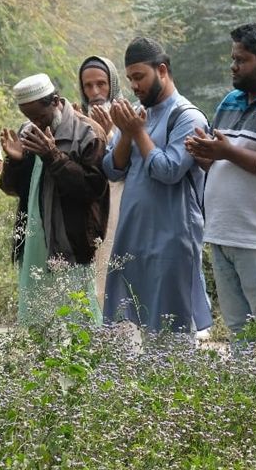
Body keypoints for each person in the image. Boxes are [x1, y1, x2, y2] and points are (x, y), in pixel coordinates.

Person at [185, 23, 256, 336]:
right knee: (238, 330)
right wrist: (205, 155)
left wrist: (225, 152)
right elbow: (222, 158)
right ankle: (245, 387)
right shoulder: (230, 101)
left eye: (241, 60)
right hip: (222, 233)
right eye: (233, 59)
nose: (233, 66)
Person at [102, 37, 212, 333]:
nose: (134, 86)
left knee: (172, 330)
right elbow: (112, 169)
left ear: (162, 70)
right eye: (130, 79)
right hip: (135, 234)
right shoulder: (138, 115)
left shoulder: (188, 117)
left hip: (172, 238)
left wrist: (137, 132)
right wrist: (126, 133)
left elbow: (168, 170)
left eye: (139, 77)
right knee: (141, 325)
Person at [0, 73, 108, 325]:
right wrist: (14, 163)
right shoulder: (27, 132)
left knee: (80, 320)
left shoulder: (88, 133)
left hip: (71, 243)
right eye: (28, 117)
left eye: (39, 116)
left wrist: (52, 156)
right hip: (36, 243)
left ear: (56, 101)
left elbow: (93, 190)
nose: (34, 122)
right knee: (38, 322)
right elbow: (13, 190)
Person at [76, 56, 124, 306]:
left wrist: (111, 134)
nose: (95, 92)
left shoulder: (128, 114)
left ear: (113, 84)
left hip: (119, 205)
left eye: (101, 84)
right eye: (88, 86)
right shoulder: (76, 120)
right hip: (88, 211)